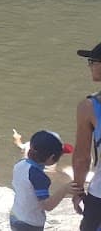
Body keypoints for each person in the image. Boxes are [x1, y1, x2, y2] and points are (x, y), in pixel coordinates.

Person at [12, 131, 73, 231]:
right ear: (51, 158)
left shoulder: (20, 164)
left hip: (15, 214)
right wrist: (64, 189)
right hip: (30, 224)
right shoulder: (39, 177)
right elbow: (47, 205)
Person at [71, 41, 101, 229]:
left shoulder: (90, 107)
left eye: (92, 61)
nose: (89, 66)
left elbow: (82, 158)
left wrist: (78, 190)